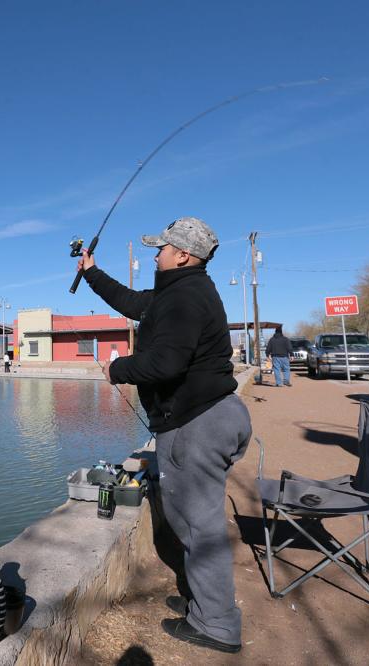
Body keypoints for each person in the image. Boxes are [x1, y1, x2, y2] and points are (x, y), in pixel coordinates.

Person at [77, 216, 252, 654]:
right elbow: (133, 302)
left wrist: (115, 368)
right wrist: (91, 272)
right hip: (206, 417)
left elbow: (165, 364)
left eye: (162, 248)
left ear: (183, 255)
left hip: (199, 424)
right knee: (193, 522)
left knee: (199, 526)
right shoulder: (178, 293)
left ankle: (217, 625)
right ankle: (203, 604)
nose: (155, 254)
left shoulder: (186, 298)